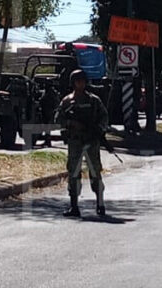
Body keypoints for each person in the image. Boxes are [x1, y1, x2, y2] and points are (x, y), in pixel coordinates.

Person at [56, 69, 109, 217]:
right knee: (73, 172)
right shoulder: (67, 101)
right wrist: (71, 123)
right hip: (75, 141)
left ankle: (100, 204)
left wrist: (99, 129)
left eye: (83, 81)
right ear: (73, 83)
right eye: (77, 81)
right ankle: (74, 206)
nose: (80, 84)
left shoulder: (94, 100)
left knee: (95, 172)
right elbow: (58, 119)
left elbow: (104, 117)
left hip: (91, 141)